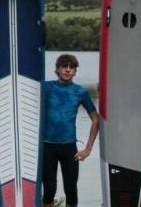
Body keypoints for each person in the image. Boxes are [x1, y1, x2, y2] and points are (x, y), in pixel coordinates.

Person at [42, 54, 99, 207]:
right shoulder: (46, 87)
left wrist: (87, 149)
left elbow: (95, 119)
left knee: (71, 190)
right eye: (64, 66)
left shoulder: (80, 92)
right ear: (57, 69)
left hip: (69, 147)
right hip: (47, 146)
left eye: (71, 67)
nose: (67, 70)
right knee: (49, 189)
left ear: (75, 71)